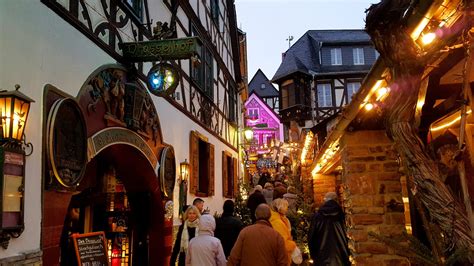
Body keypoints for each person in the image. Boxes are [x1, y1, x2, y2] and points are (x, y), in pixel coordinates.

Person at [308, 192, 350, 266]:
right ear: (336, 200)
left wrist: (313, 254)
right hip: (340, 256)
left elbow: (311, 236)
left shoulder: (318, 216)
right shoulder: (341, 215)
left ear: (325, 200)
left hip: (321, 256)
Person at [269, 198, 297, 265]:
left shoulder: (279, 219)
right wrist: (293, 245)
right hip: (281, 257)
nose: (287, 209)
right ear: (281, 208)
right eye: (286, 207)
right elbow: (283, 243)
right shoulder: (277, 222)